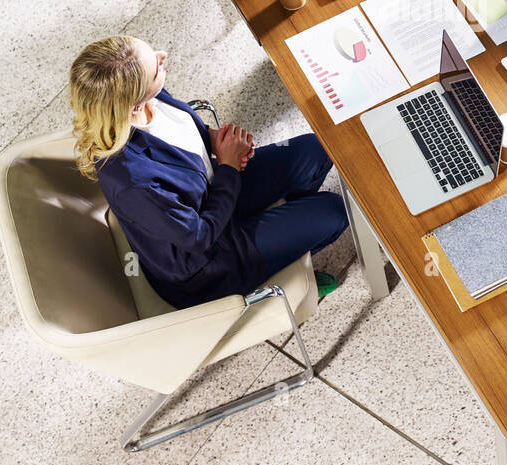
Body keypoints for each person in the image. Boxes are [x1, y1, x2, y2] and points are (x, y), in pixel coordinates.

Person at [69, 35, 347, 306]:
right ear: (134, 106)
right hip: (209, 259)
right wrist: (227, 165)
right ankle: (290, 273)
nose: (162, 55)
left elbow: (178, 135)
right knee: (335, 211)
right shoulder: (133, 182)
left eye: (152, 52)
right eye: (156, 66)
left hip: (209, 189)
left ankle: (287, 236)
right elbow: (198, 237)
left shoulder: (146, 96)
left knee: (316, 148)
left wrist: (213, 139)